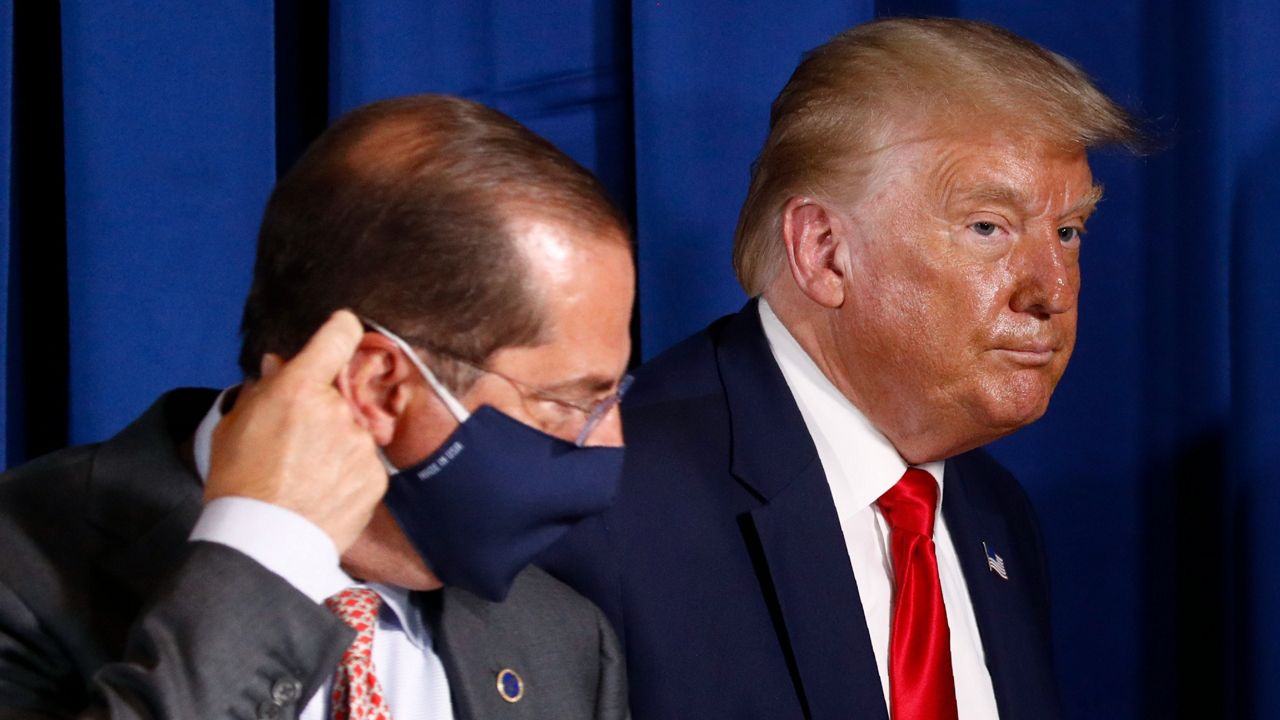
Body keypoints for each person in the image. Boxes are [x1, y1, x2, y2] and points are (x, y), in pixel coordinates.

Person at [540, 17, 1143, 720]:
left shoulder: (995, 512)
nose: (1054, 289)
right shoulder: (604, 500)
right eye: (989, 227)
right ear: (824, 251)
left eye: (1068, 232)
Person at [0, 94, 635, 719]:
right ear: (380, 385)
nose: (608, 442)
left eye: (612, 397)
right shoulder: (18, 575)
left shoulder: (565, 641)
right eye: (566, 402)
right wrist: (266, 555)